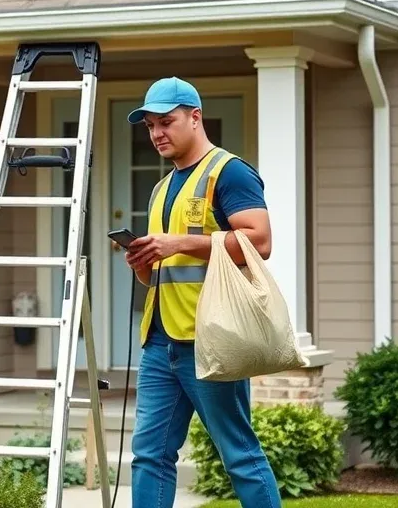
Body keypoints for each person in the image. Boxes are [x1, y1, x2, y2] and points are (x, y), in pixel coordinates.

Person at [123, 77, 281, 508]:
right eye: (150, 126)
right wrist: (144, 264)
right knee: (149, 455)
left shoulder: (229, 172)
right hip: (159, 343)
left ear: (195, 117)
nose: (157, 133)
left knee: (239, 456)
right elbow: (164, 272)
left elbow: (259, 242)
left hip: (211, 339)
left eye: (166, 122)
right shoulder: (160, 189)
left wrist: (178, 243)